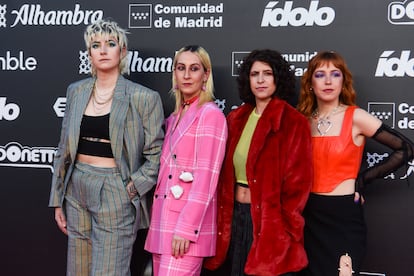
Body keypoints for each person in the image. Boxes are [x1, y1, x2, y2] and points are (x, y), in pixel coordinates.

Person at [48, 19, 164, 276]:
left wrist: (131, 189)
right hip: (76, 188)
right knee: (77, 271)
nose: (103, 50)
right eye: (96, 45)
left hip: (115, 189)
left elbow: (157, 154)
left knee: (108, 271)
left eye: (110, 44)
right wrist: (58, 198)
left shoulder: (143, 97)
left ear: (122, 52)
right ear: (88, 53)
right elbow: (63, 148)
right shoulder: (76, 91)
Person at [296, 51, 414, 276]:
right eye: (320, 74)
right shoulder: (302, 121)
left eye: (335, 74)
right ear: (310, 83)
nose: (328, 81)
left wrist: (362, 180)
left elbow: (405, 149)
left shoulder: (356, 117)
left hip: (343, 217)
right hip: (308, 217)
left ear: (344, 81)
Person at [204, 49, 313, 276]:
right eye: (255, 74)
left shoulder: (294, 122)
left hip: (269, 224)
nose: (261, 80)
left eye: (267, 73)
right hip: (232, 220)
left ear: (278, 78)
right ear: (248, 79)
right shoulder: (235, 119)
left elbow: (298, 186)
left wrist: (287, 231)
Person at [144, 45, 228, 276]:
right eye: (181, 68)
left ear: (206, 75)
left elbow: (206, 180)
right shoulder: (172, 119)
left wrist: (186, 228)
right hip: (162, 225)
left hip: (185, 232)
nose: (187, 75)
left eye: (194, 68)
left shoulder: (210, 115)